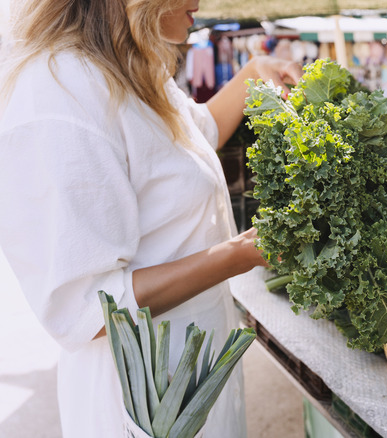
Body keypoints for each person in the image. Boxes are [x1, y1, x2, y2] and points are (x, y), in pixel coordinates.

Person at [0, 1, 302, 437]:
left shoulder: (126, 65)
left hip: (196, 367)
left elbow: (195, 138)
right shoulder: (58, 97)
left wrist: (255, 73)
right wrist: (242, 254)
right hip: (142, 400)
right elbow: (88, 309)